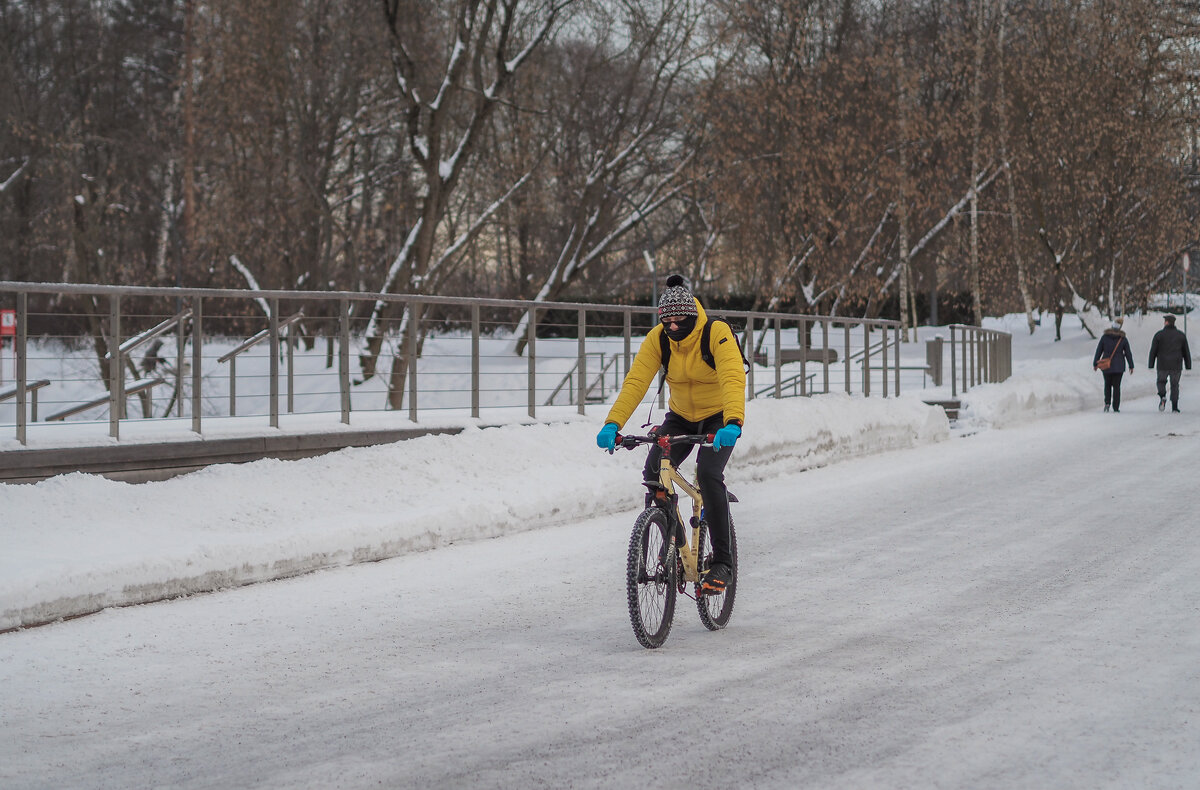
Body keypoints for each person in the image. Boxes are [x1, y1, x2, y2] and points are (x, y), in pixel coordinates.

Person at [596, 274, 746, 595]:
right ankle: (671, 544)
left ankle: (722, 562)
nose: (674, 326)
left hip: (719, 418)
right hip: (680, 418)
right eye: (667, 320)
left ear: (692, 315)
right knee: (653, 472)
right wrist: (614, 424)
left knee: (708, 474)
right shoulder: (659, 339)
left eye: (680, 320)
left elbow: (733, 376)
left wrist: (733, 422)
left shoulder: (715, 333)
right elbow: (637, 381)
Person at [1148, 314, 1192, 412]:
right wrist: (1188, 365)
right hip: (1176, 365)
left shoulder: (1159, 335)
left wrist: (1151, 364)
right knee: (1175, 385)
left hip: (1162, 364)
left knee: (1161, 382)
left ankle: (1162, 396)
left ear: (1167, 322)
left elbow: (1153, 350)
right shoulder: (1181, 335)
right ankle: (1175, 407)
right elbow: (1186, 351)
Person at [1092, 317, 1134, 412]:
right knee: (1116, 386)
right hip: (1119, 366)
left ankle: (1107, 403)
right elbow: (1128, 353)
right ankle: (1116, 407)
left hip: (1107, 365)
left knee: (1107, 384)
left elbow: (1099, 350)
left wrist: (1095, 363)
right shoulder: (1123, 339)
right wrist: (1131, 366)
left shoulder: (1105, 337)